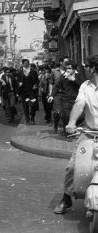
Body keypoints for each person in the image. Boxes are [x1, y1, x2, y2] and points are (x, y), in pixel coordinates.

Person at [54, 54, 98, 214]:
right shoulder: (85, 86)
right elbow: (79, 104)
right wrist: (71, 123)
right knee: (73, 166)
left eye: (86, 66)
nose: (83, 69)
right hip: (88, 133)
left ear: (92, 69)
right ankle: (66, 198)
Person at [48, 61, 85, 135]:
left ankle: (73, 128)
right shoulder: (63, 76)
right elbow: (57, 86)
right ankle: (67, 133)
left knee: (81, 117)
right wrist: (51, 96)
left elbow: (83, 85)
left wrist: (73, 79)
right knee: (67, 116)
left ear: (74, 69)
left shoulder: (79, 75)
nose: (68, 70)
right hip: (66, 100)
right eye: (66, 68)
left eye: (70, 68)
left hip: (77, 100)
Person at [17, 59, 39, 125]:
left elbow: (37, 80)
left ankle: (32, 117)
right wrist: (19, 83)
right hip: (24, 93)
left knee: (33, 105)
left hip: (32, 92)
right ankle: (27, 120)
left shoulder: (33, 72)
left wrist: (35, 85)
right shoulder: (20, 72)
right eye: (25, 63)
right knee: (25, 106)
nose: (26, 64)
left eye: (27, 63)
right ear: (22, 64)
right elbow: (17, 81)